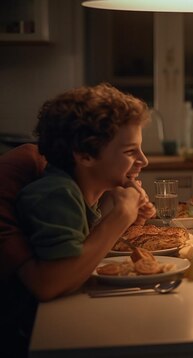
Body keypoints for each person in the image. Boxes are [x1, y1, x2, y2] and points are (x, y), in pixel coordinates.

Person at [4, 83, 154, 355]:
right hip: (27, 340)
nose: (143, 160)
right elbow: (51, 283)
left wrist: (123, 216)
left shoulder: (80, 193)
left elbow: (82, 250)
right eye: (130, 151)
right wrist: (120, 216)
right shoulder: (56, 193)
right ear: (85, 155)